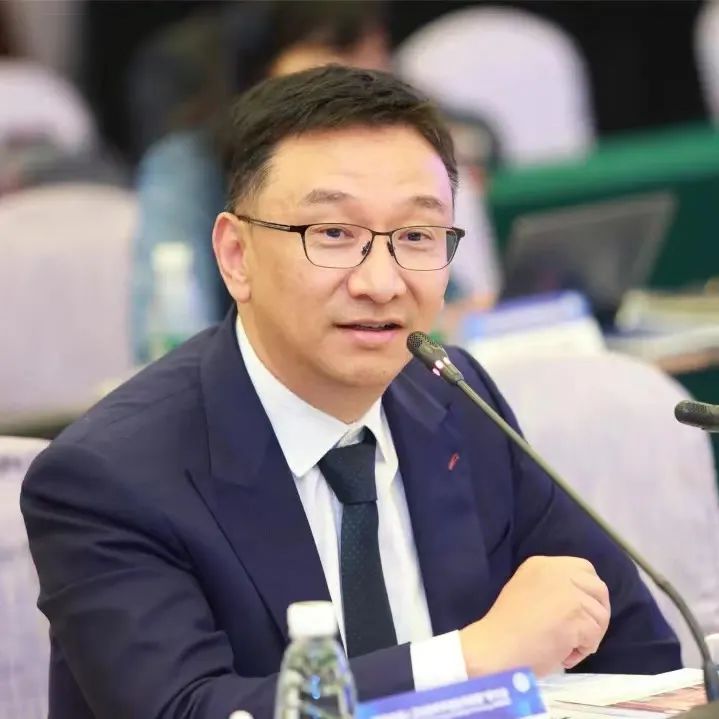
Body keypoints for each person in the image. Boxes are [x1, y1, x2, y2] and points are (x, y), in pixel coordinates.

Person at [21, 65, 680, 719]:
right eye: (334, 235)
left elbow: (645, 659)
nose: (381, 283)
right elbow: (185, 709)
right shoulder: (109, 477)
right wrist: (467, 660)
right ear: (236, 256)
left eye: (416, 236)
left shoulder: (453, 396)